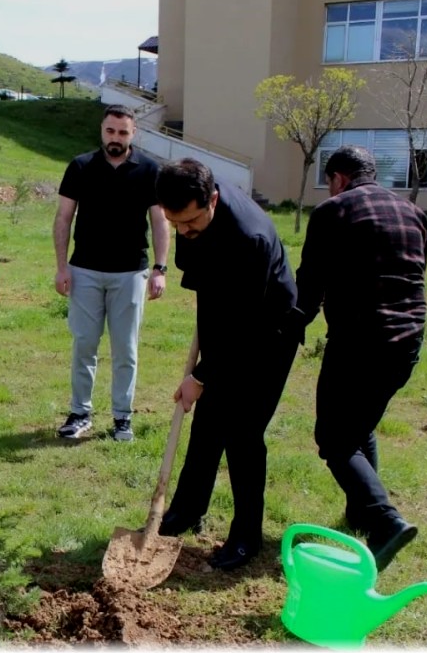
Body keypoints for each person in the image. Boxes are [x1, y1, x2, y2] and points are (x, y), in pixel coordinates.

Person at [289, 144, 427, 572]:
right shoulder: (415, 214)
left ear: (338, 178)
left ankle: (385, 520)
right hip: (408, 340)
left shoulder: (334, 212)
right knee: (360, 424)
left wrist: (290, 327)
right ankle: (361, 512)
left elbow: (309, 284)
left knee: (334, 439)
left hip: (359, 341)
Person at [153, 158, 299, 571]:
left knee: (242, 434)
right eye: (174, 223)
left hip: (267, 333)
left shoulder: (248, 239)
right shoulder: (190, 211)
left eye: (191, 223)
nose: (184, 232)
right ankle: (187, 509)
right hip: (228, 320)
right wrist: (204, 366)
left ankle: (247, 536)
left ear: (213, 199)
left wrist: (200, 376)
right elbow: (208, 290)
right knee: (209, 422)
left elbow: (245, 329)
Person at [53, 103, 170, 442]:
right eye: (110, 131)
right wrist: (62, 267)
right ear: (102, 131)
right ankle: (80, 413)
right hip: (84, 271)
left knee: (125, 350)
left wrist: (160, 269)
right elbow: (63, 219)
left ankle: (122, 418)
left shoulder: (150, 170)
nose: (115, 138)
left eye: (122, 132)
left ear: (133, 134)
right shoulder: (80, 166)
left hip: (131, 274)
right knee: (84, 345)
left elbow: (160, 221)